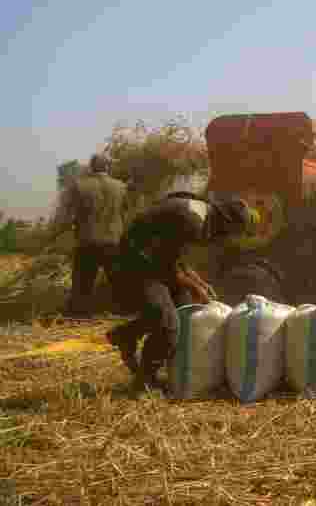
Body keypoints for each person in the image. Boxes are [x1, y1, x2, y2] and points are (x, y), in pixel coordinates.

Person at [105, 192, 258, 390]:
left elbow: (176, 258)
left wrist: (200, 282)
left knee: (184, 309)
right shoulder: (192, 221)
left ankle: (126, 334)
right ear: (227, 224)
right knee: (169, 324)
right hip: (136, 261)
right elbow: (166, 267)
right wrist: (196, 288)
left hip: (153, 258)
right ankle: (144, 382)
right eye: (232, 234)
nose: (228, 240)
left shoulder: (203, 216)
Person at [51, 154, 129, 317]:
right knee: (118, 281)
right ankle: (122, 311)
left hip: (88, 240)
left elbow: (67, 215)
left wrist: (56, 233)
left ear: (91, 167)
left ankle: (80, 314)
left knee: (83, 282)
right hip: (113, 241)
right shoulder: (121, 187)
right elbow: (124, 212)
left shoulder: (79, 185)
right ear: (107, 167)